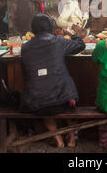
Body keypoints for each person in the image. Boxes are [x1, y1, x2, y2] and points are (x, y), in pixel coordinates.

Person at [20, 13, 85, 148]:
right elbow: (80, 45)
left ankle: (58, 138)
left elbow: (25, 74)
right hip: (65, 101)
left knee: (44, 103)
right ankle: (72, 137)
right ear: (50, 27)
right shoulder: (58, 41)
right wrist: (72, 33)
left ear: (33, 29)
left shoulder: (25, 48)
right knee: (70, 102)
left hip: (37, 102)